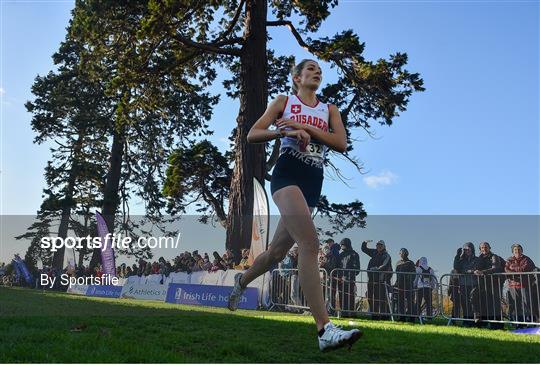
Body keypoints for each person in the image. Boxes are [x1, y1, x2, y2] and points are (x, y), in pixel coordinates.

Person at [226, 59, 362, 351]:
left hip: (313, 181)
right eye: (310, 68)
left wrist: (304, 127)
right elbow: (252, 134)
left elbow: (340, 143)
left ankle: (241, 281)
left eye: (319, 70)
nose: (317, 72)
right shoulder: (284, 101)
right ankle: (324, 329)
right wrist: (283, 132)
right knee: (310, 245)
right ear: (297, 77)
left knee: (275, 254)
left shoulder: (330, 110)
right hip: (287, 175)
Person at [471, 241, 505, 329]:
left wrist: (483, 272)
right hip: (483, 283)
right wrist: (474, 271)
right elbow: (475, 268)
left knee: (495, 304)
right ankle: (480, 321)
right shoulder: (479, 258)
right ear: (480, 249)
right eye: (482, 248)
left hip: (494, 283)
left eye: (486, 247)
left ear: (489, 248)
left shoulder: (494, 256)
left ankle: (498, 325)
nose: (484, 249)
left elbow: (496, 268)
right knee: (477, 298)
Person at [504, 243, 536, 324]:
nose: (517, 251)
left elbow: (525, 268)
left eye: (519, 249)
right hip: (512, 285)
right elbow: (506, 270)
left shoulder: (526, 259)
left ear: (522, 250)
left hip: (524, 285)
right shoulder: (509, 260)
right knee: (515, 304)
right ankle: (517, 323)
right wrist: (516, 273)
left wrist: (514, 273)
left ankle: (530, 322)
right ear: (512, 251)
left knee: (527, 304)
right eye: (515, 249)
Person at [362, 240, 392, 320]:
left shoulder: (386, 255)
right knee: (370, 297)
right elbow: (364, 249)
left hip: (381, 280)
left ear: (384, 246)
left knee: (381, 299)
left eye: (380, 245)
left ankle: (384, 316)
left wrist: (376, 269)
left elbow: (385, 265)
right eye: (377, 245)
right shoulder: (374, 252)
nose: (378, 246)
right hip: (371, 279)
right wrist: (365, 242)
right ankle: (374, 315)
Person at [453, 242, 478, 326]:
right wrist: (457, 256)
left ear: (472, 249)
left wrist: (468, 271)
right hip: (463, 284)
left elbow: (476, 269)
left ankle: (474, 321)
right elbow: (456, 268)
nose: (467, 251)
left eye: (468, 249)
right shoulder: (461, 260)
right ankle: (466, 320)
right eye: (465, 249)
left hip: (474, 284)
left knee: (473, 303)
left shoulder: (477, 259)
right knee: (464, 303)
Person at [338, 238, 361, 316]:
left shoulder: (354, 254)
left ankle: (351, 314)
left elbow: (357, 269)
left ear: (346, 244)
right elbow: (337, 267)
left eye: (342, 245)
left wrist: (349, 276)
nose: (341, 246)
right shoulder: (340, 255)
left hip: (350, 281)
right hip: (341, 280)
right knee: (342, 297)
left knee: (350, 298)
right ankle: (343, 314)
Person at [394, 248, 416, 322]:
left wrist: (409, 280)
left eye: (403, 253)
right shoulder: (398, 263)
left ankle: (411, 317)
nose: (402, 254)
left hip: (408, 285)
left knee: (410, 301)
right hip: (400, 285)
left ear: (406, 254)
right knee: (400, 301)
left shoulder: (410, 263)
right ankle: (402, 317)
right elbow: (397, 274)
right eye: (401, 253)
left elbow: (413, 274)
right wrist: (396, 283)